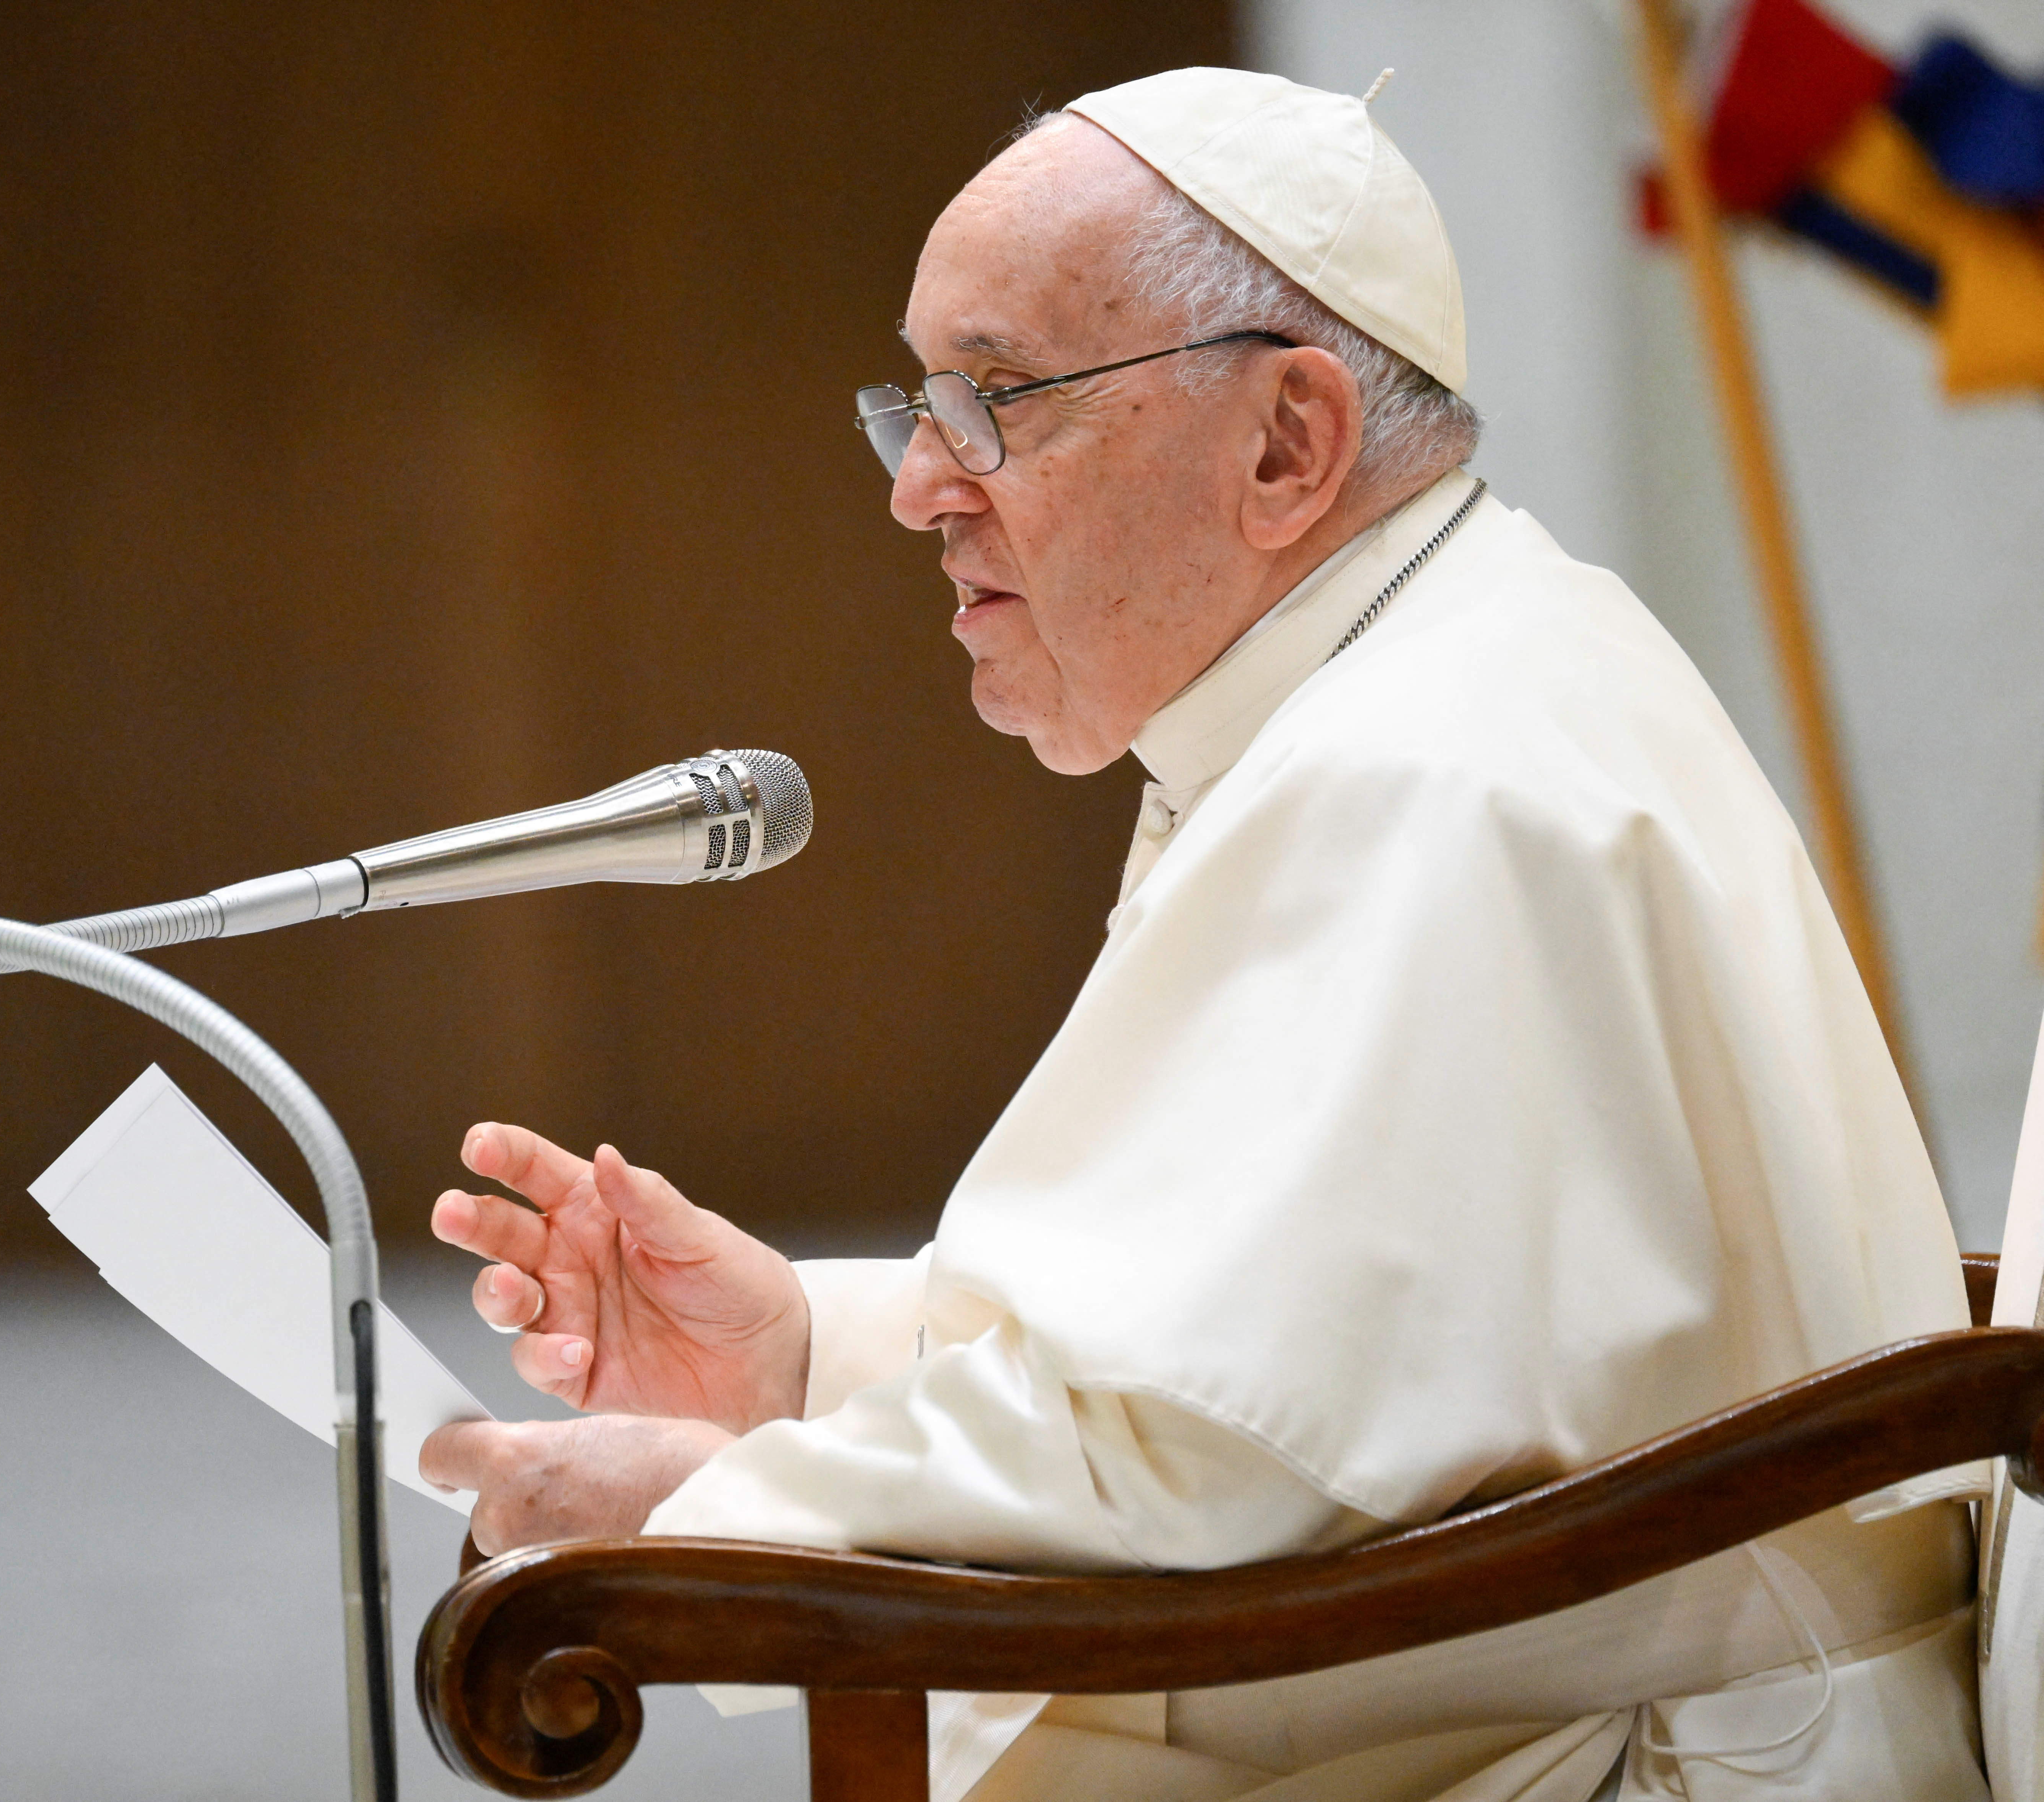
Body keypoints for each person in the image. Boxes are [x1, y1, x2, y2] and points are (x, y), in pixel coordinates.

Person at [418, 67, 1984, 1802]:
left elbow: (1212, 1461)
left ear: (1285, 443)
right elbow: (1296, 1377)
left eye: (996, 399)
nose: (919, 488)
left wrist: (700, 1518)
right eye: (915, 406)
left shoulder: (1428, 773)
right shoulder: (1432, 672)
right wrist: (800, 1353)